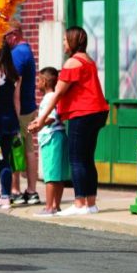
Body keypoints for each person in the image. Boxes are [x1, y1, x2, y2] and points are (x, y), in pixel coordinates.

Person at [36, 26, 109, 216]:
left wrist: (40, 120)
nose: (63, 43)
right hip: (97, 112)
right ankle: (90, 203)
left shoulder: (72, 63)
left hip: (82, 113)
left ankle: (79, 203)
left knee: (76, 160)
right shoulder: (89, 61)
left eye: (65, 40)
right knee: (87, 159)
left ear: (73, 41)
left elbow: (58, 93)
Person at [27, 67, 70, 216]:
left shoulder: (48, 98)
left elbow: (51, 117)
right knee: (58, 174)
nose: (37, 83)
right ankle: (56, 206)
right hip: (59, 136)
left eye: (38, 80)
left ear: (44, 82)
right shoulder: (54, 97)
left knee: (50, 174)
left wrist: (40, 124)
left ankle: (49, 207)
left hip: (51, 138)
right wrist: (36, 122)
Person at [6, 22, 40, 205]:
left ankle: (15, 189)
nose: (4, 41)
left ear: (14, 35)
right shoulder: (26, 50)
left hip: (20, 110)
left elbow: (15, 86)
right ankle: (31, 191)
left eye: (5, 37)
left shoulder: (18, 54)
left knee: (17, 148)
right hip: (29, 107)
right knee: (28, 149)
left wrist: (14, 112)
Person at [0, 42, 21, 210]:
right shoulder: (14, 75)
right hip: (10, 121)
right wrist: (19, 124)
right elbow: (17, 101)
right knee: (4, 160)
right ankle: (6, 196)